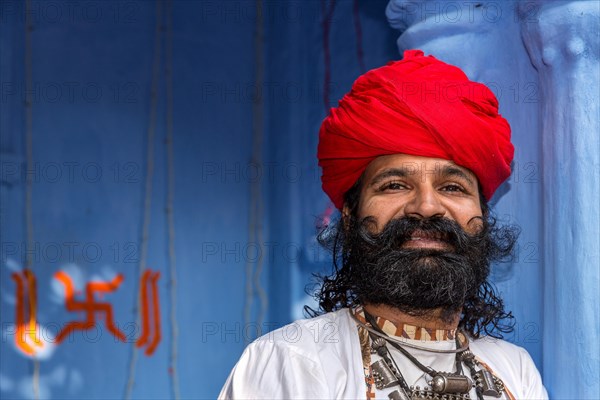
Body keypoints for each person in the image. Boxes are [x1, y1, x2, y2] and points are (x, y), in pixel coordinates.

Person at [219, 50, 548, 400]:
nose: (426, 206)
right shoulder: (293, 362)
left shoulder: (515, 371)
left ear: (481, 218)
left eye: (452, 187)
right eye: (395, 185)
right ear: (350, 215)